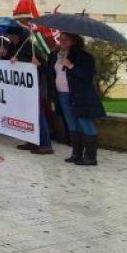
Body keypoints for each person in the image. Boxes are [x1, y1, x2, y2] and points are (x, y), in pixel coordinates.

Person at [41, 32, 106, 165]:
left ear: (74, 41)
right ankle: (76, 154)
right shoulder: (55, 55)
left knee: (85, 123)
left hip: (80, 95)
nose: (62, 42)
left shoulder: (84, 57)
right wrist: (38, 66)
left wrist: (71, 66)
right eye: (60, 39)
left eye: (65, 40)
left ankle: (90, 157)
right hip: (62, 94)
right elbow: (51, 74)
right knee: (71, 123)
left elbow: (87, 77)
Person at [8, 27, 54, 154]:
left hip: (35, 86)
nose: (9, 37)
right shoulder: (13, 47)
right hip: (22, 88)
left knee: (38, 114)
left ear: (17, 35)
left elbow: (45, 65)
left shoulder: (30, 46)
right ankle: (32, 141)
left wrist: (37, 64)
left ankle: (46, 144)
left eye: (10, 35)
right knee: (27, 114)